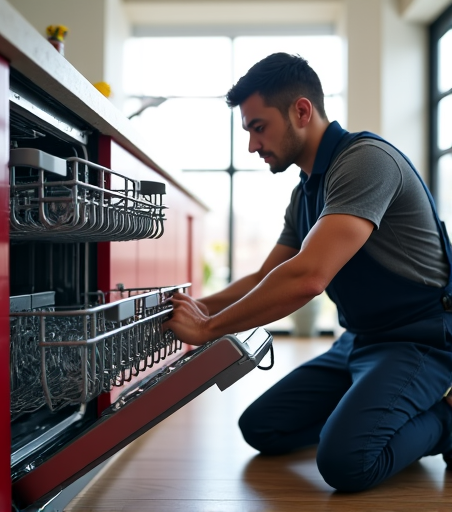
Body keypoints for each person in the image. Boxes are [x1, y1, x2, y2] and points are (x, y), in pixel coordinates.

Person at [163, 52, 452, 492]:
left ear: (301, 110)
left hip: (421, 341)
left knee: (347, 463)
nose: (252, 145)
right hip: (360, 341)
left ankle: (446, 416)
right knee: (263, 428)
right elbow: (268, 277)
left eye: (258, 128)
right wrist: (199, 306)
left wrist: (208, 328)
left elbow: (308, 277)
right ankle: (374, 409)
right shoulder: (307, 194)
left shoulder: (366, 161)